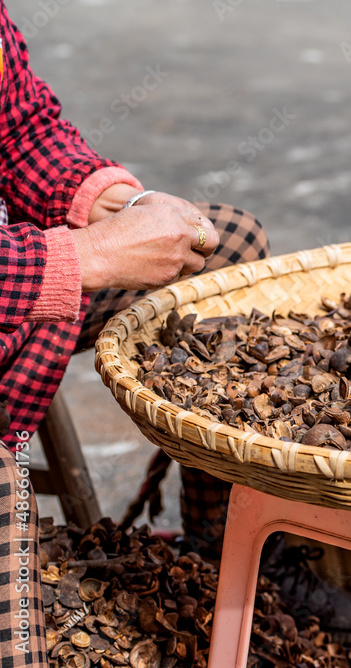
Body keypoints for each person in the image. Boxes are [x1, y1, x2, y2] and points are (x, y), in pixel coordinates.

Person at [0, 3, 266, 663]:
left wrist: (111, 207)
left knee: (227, 257)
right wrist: (89, 258)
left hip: (17, 303)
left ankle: (228, 563)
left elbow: (22, 128)